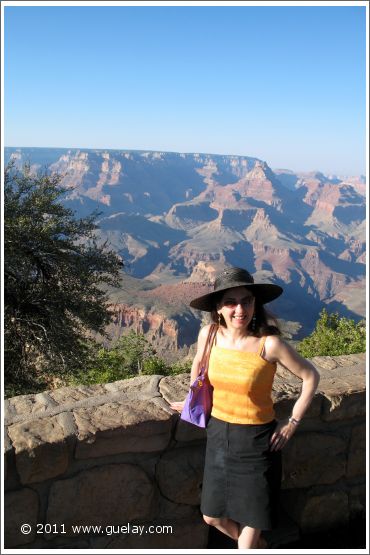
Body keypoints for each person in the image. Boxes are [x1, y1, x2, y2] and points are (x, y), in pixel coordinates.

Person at [170, 266, 320, 549]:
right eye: (231, 302)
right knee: (211, 516)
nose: (240, 309)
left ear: (255, 304)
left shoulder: (269, 344)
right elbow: (198, 366)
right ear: (218, 307)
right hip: (218, 436)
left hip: (256, 443)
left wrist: (292, 422)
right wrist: (192, 401)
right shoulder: (209, 334)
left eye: (247, 301)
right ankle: (261, 547)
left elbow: (311, 376)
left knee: (246, 542)